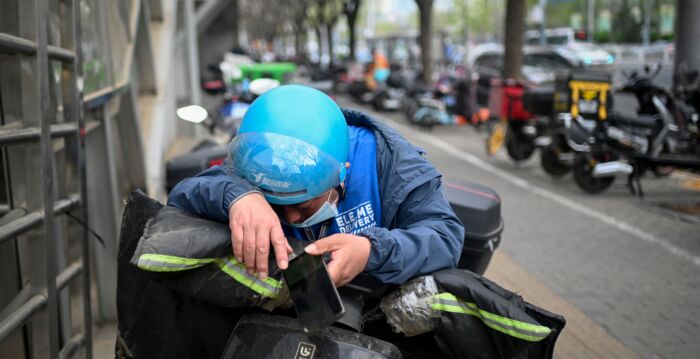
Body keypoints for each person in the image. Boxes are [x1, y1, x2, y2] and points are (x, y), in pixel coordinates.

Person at [168, 84, 464, 287]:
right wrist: (237, 196)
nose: (292, 218)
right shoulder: (253, 162)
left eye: (302, 203)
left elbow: (444, 237)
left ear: (342, 174)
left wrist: (371, 251)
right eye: (276, 204)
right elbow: (182, 198)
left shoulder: (393, 164)